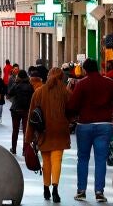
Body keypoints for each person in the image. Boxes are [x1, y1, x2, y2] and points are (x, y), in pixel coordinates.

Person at [67, 59, 113, 202]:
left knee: (83, 158)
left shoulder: (82, 84)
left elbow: (72, 105)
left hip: (84, 125)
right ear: (97, 68)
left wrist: (72, 117)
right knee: (100, 159)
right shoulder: (109, 83)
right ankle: (99, 192)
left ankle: (81, 191)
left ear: (85, 70)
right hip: (104, 125)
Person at [25, 68, 71, 203]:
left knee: (46, 161)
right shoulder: (65, 91)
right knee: (57, 160)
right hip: (60, 132)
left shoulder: (38, 92)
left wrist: (28, 138)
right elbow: (72, 110)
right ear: (62, 77)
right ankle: (55, 188)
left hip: (43, 132)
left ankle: (46, 187)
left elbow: (31, 116)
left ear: (48, 76)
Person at [6, 70, 34, 154]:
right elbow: (33, 96)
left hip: (16, 110)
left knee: (15, 130)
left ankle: (14, 149)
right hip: (26, 110)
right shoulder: (30, 86)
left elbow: (9, 94)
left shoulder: (16, 85)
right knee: (26, 131)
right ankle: (25, 150)